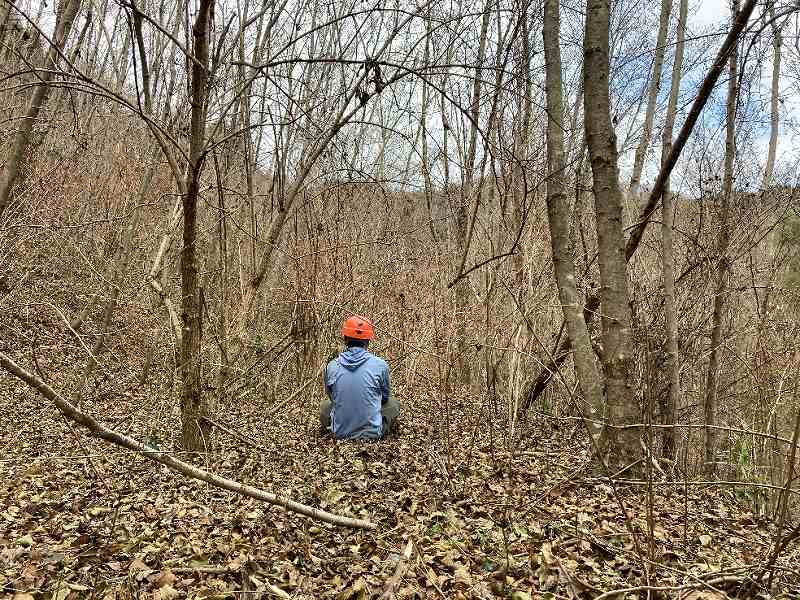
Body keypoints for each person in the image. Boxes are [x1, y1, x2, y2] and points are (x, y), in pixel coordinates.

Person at [320, 315, 400, 440]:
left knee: (325, 405)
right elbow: (384, 397)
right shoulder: (380, 365)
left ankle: (340, 426)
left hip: (340, 434)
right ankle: (374, 427)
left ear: (345, 339)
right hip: (372, 434)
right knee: (393, 403)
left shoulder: (332, 366)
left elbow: (332, 398)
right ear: (368, 340)